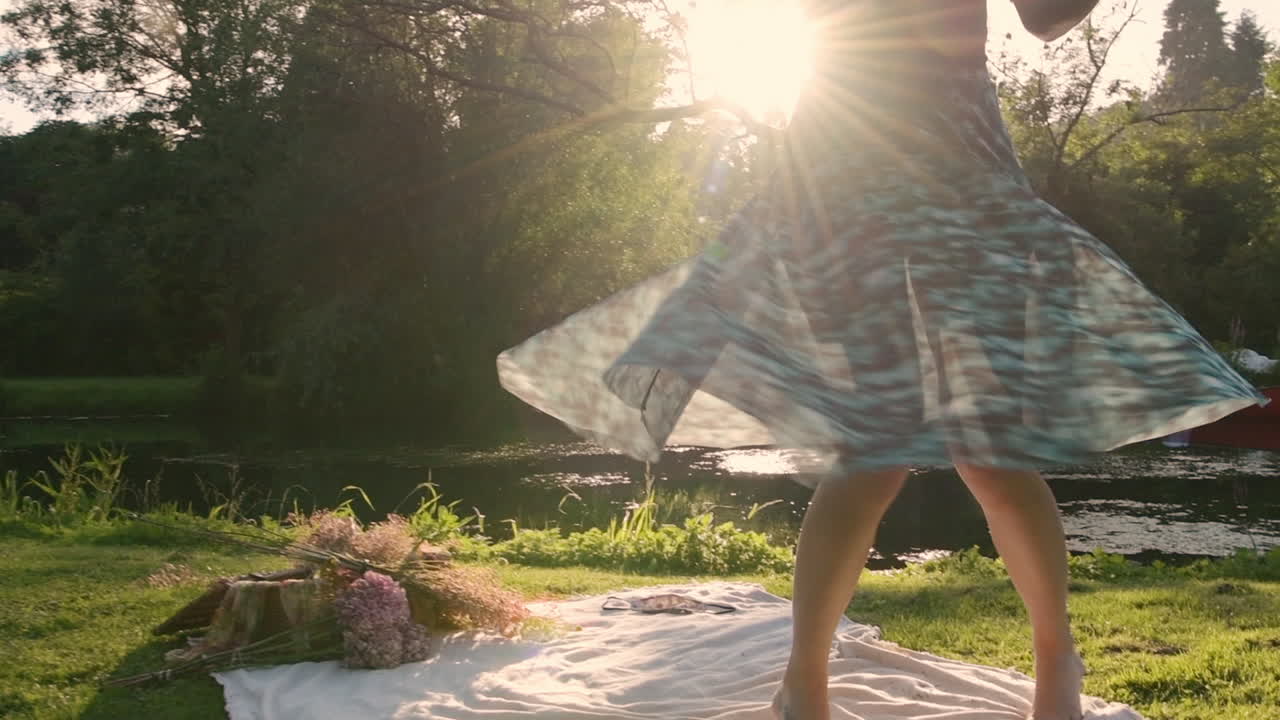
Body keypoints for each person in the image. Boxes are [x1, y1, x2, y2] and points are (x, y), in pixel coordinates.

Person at [496, 1, 1269, 719]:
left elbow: (1044, 17)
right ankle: (803, 683)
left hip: (961, 179)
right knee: (868, 451)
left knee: (990, 449)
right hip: (838, 177)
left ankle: (1054, 661)